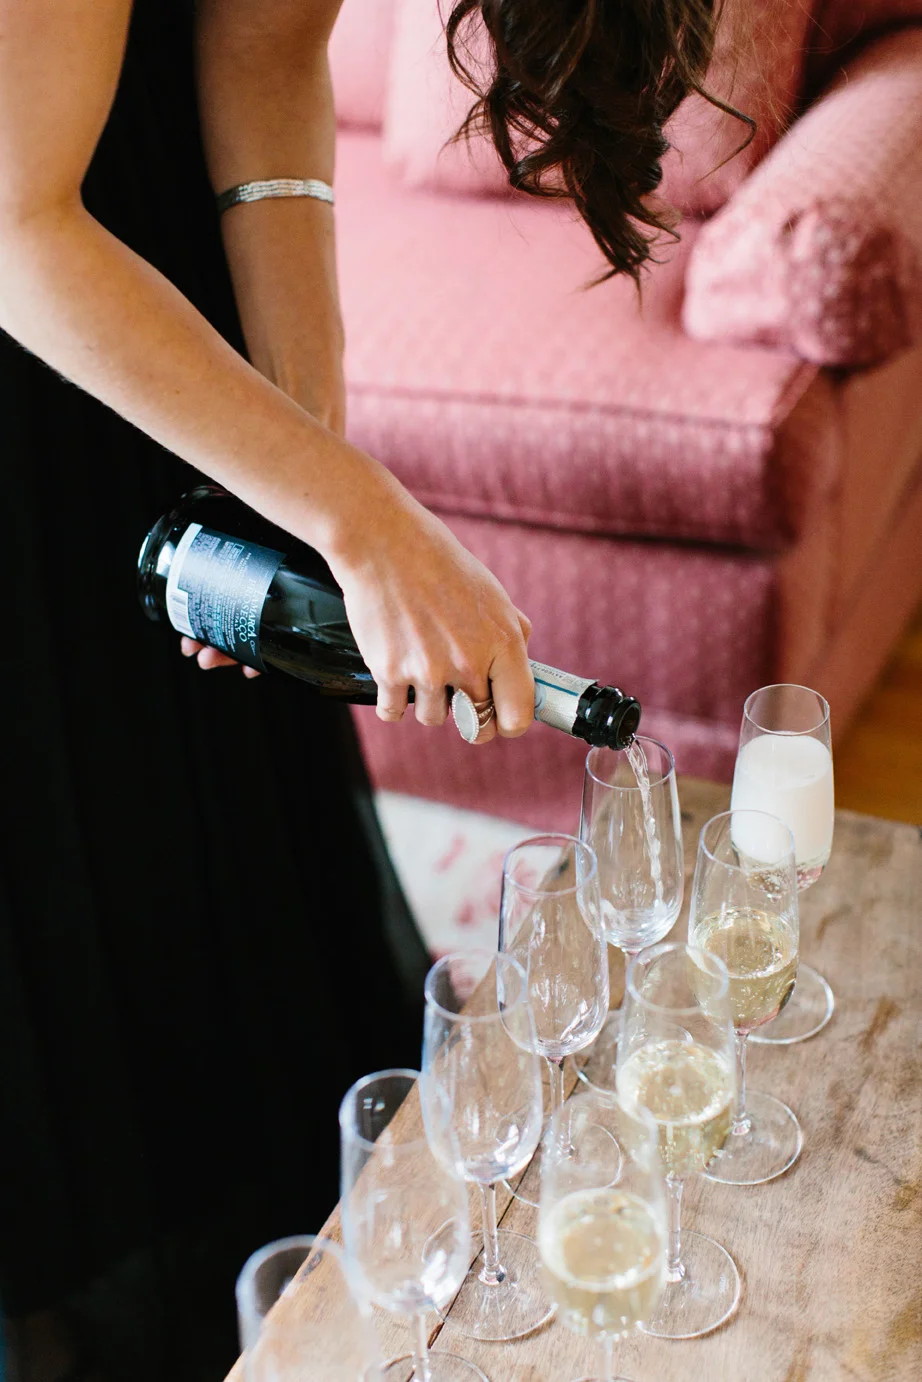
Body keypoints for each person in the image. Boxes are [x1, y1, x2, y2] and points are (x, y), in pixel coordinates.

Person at [0, 2, 730, 1379]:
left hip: (150, 278)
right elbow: (15, 224)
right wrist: (365, 519)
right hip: (40, 284)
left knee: (225, 827)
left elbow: (265, 45)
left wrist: (300, 459)